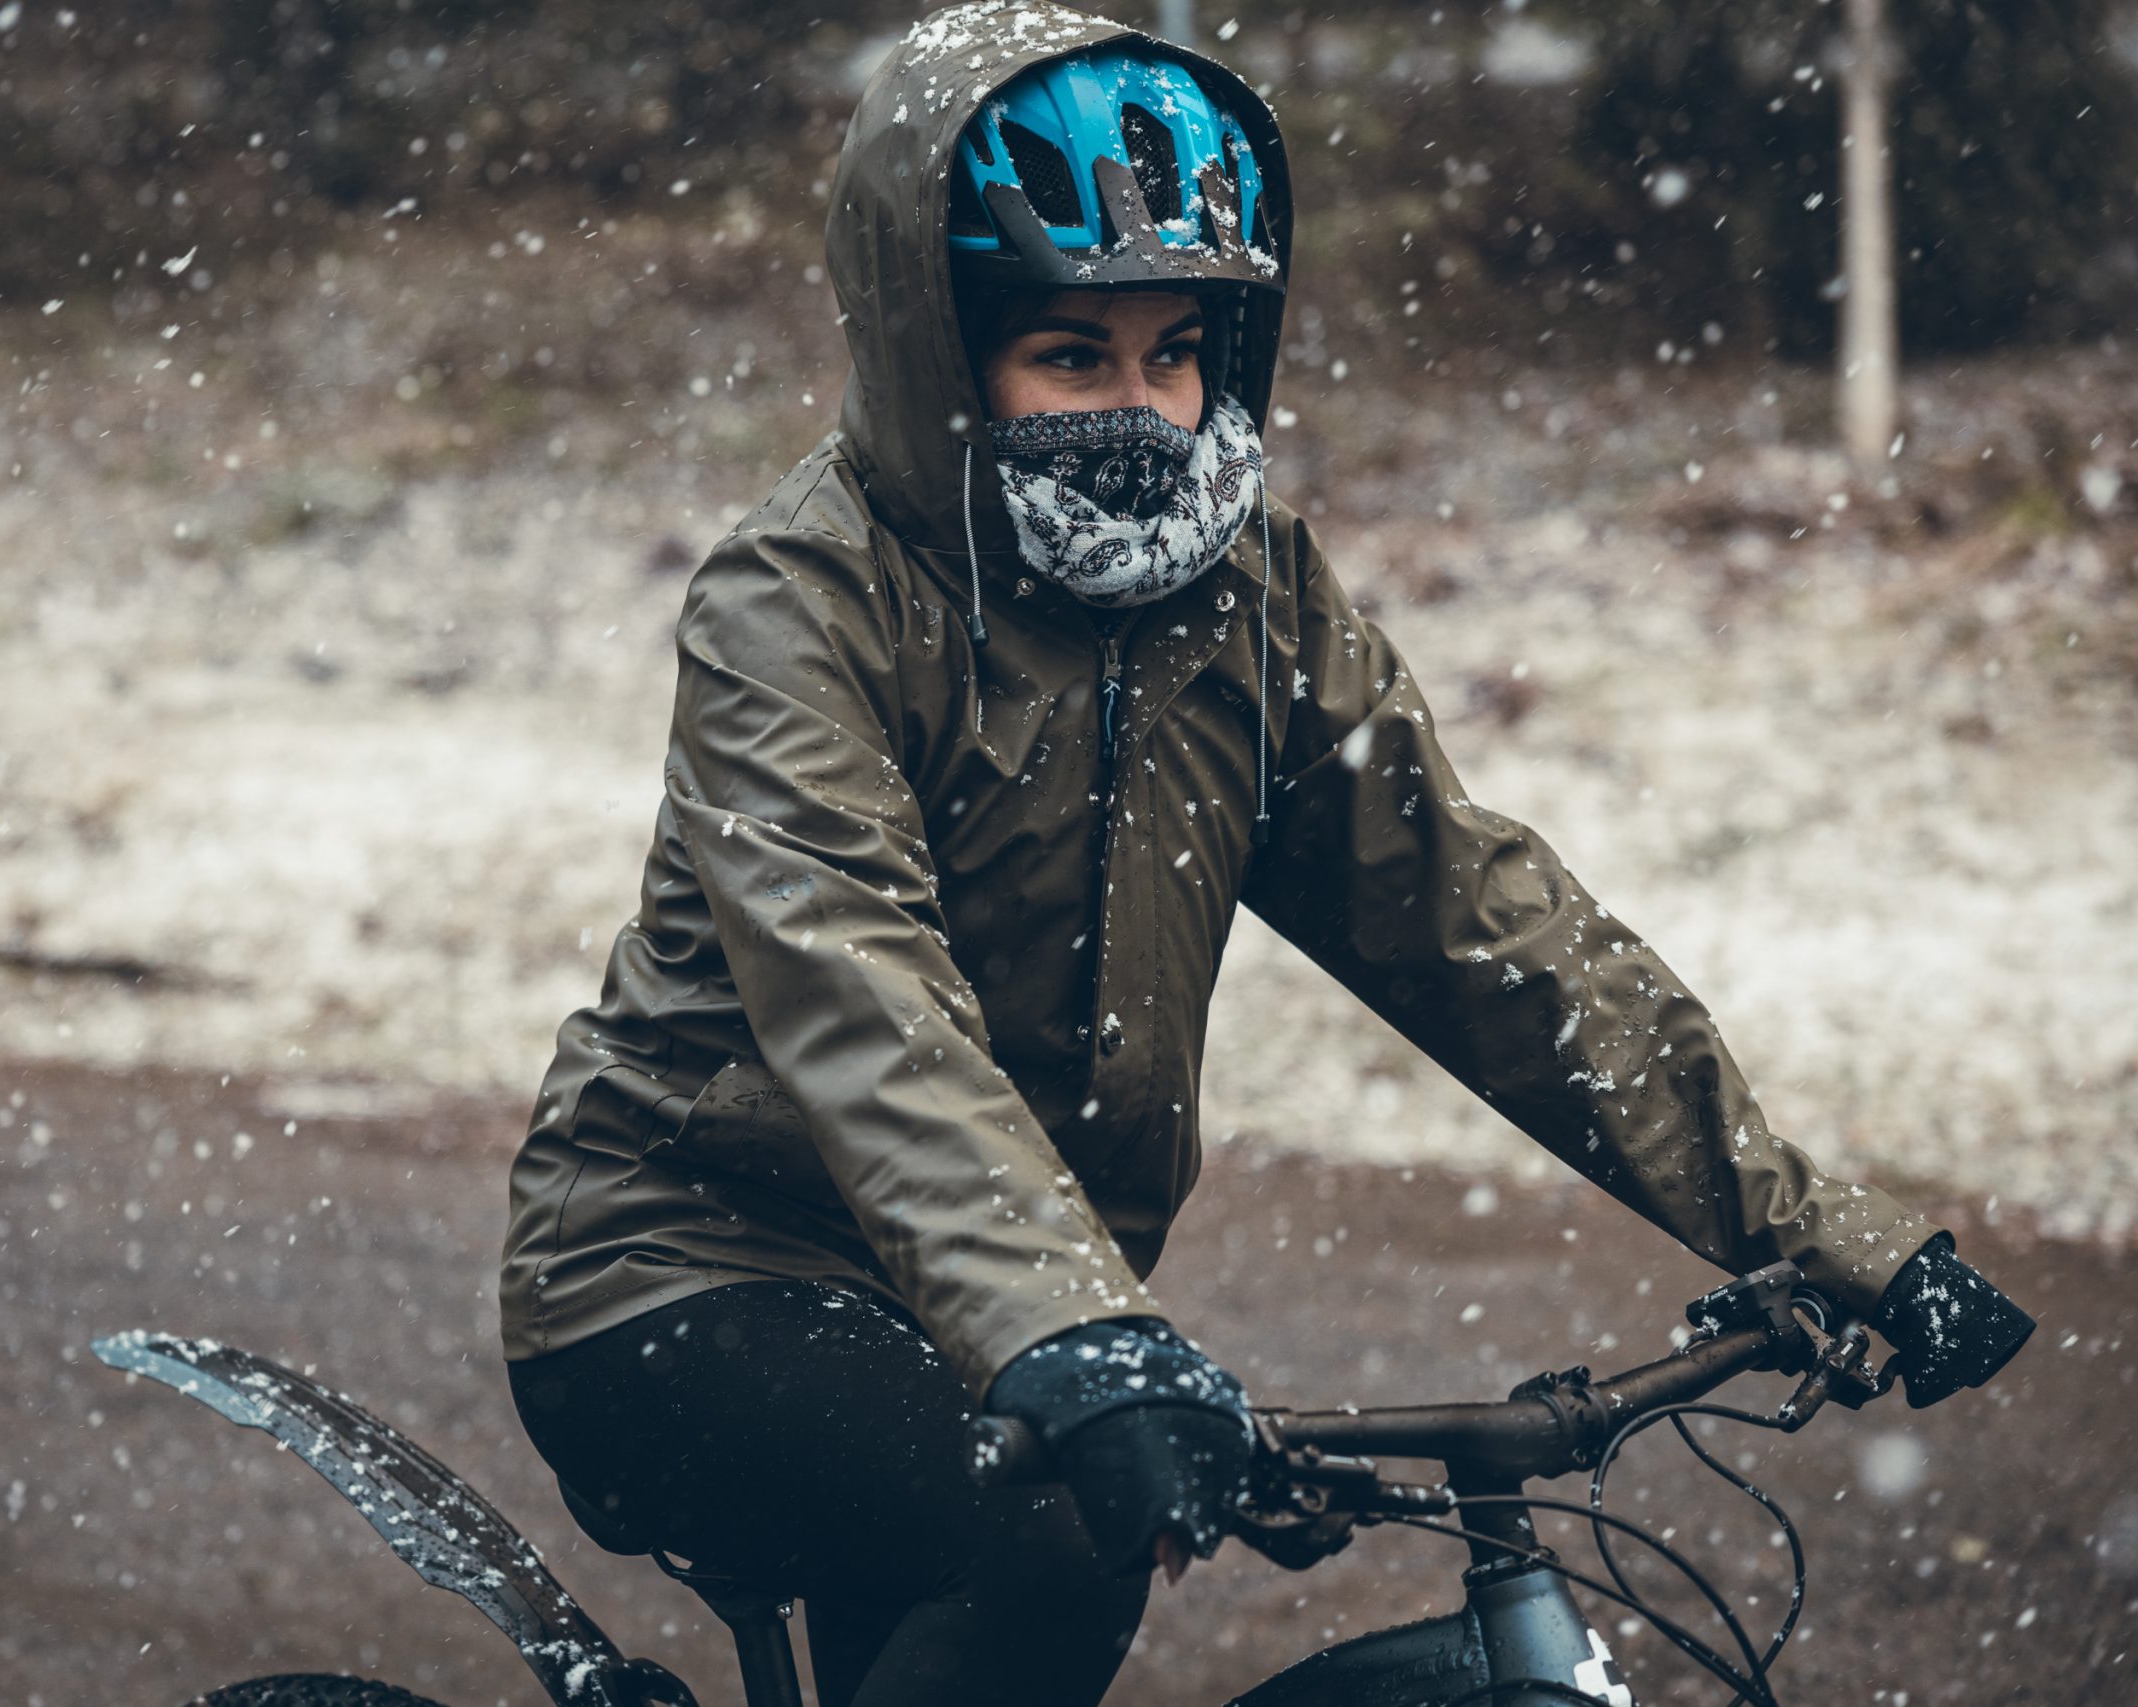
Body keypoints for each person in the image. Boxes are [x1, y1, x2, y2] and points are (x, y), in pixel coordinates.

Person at [496, 6, 2036, 1703]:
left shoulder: (1250, 597)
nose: (1144, 412)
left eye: (1177, 353)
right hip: (685, 1271)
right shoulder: (800, 605)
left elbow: (1478, 926)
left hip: (1001, 1312)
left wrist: (1822, 1235)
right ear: (940, 354)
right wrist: (1075, 1328)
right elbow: (861, 1004)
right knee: (1056, 1543)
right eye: (1072, 356)